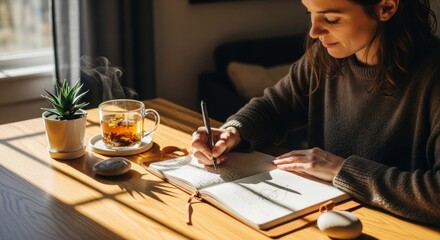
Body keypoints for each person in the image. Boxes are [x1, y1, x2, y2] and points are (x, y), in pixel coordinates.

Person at [191, 0, 440, 226]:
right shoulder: (325, 56)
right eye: (311, 13)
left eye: (331, 19)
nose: (314, 31)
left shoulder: (432, 76)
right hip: (325, 216)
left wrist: (343, 170)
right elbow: (274, 107)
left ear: (385, 7)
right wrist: (232, 132)